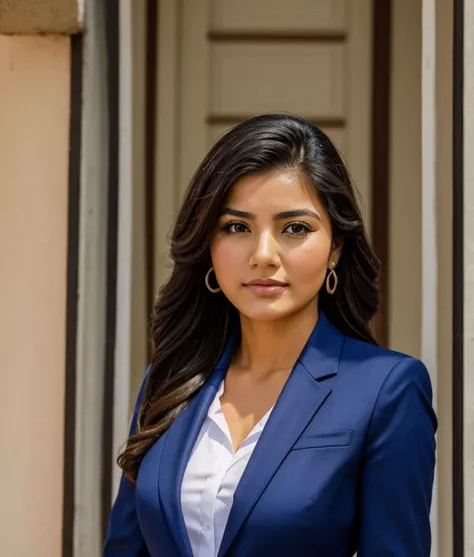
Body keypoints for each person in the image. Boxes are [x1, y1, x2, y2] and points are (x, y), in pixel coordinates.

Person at [104, 113, 437, 557]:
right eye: (237, 227)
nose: (264, 255)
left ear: (335, 246)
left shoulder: (386, 391)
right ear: (209, 244)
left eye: (294, 228)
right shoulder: (170, 381)